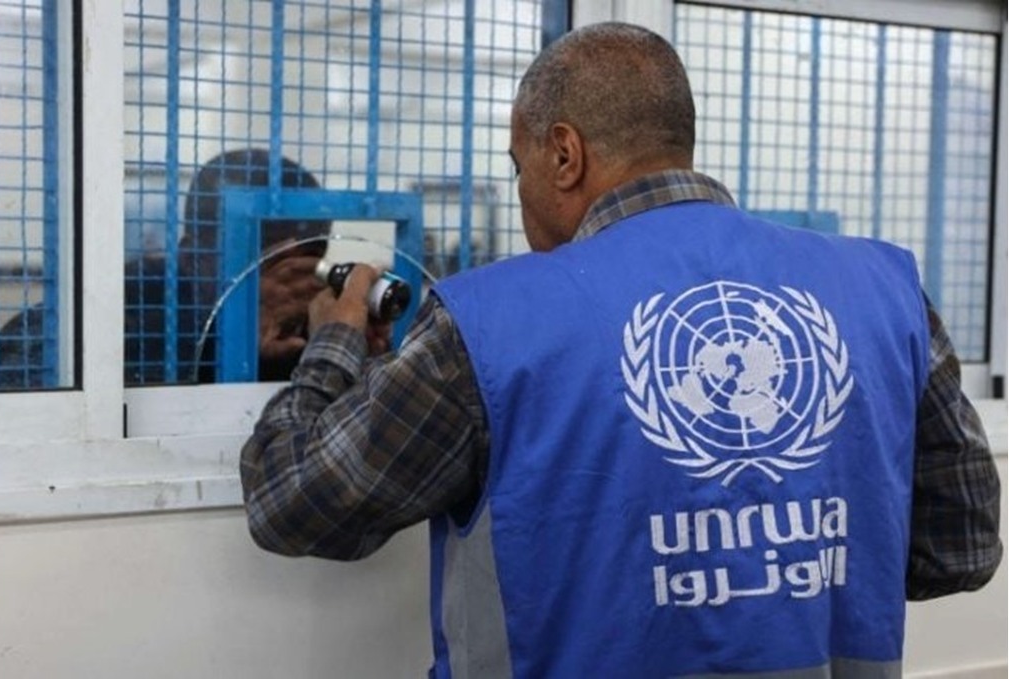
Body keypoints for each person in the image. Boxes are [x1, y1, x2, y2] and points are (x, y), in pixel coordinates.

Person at [239, 22, 1002, 678]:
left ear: (564, 155)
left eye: (518, 165)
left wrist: (335, 341)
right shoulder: (884, 292)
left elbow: (295, 503)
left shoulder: (491, 323)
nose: (520, 190)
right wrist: (781, 569)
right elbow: (961, 547)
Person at [0, 148, 329, 388]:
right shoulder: (126, 306)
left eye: (310, 256)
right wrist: (228, 340)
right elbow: (14, 380)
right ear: (192, 256)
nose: (291, 279)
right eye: (265, 257)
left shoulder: (316, 323)